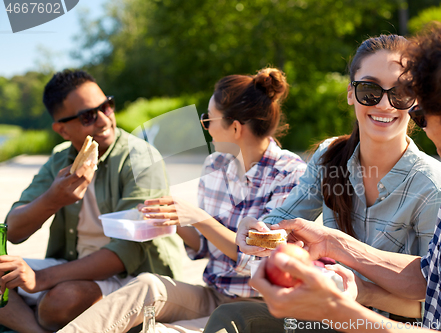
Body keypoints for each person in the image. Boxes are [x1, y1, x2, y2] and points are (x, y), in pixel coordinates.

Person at [213, 4, 441, 333]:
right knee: (230, 319)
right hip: (334, 314)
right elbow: (430, 277)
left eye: (411, 102)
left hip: (375, 321)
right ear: (351, 93)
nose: (385, 104)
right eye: (369, 90)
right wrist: (267, 232)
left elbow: (430, 306)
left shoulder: (436, 185)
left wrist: (346, 301)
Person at [58, 67, 307, 333]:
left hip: (262, 309)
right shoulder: (215, 165)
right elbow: (205, 246)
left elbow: (260, 259)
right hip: (214, 295)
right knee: (148, 285)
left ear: (234, 128)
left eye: (208, 119)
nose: (206, 127)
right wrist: (173, 218)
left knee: (155, 330)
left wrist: (200, 218)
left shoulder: (290, 173)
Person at [0, 69, 185, 332]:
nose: (103, 120)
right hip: (73, 265)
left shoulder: (141, 159)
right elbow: (13, 230)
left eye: (106, 106)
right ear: (62, 129)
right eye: (88, 115)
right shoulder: (61, 158)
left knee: (60, 302)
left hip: (134, 277)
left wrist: (40, 278)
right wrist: (51, 200)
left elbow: (127, 251)